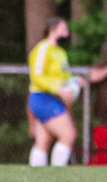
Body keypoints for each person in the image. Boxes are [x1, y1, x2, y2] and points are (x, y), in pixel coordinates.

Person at [27, 17, 78, 167]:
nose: (66, 29)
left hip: (52, 98)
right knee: (68, 135)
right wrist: (58, 90)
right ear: (52, 29)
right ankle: (57, 172)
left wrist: (74, 82)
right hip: (42, 97)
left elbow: (64, 76)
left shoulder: (60, 52)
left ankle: (38, 176)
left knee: (44, 141)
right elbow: (37, 76)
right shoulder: (43, 48)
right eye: (63, 27)